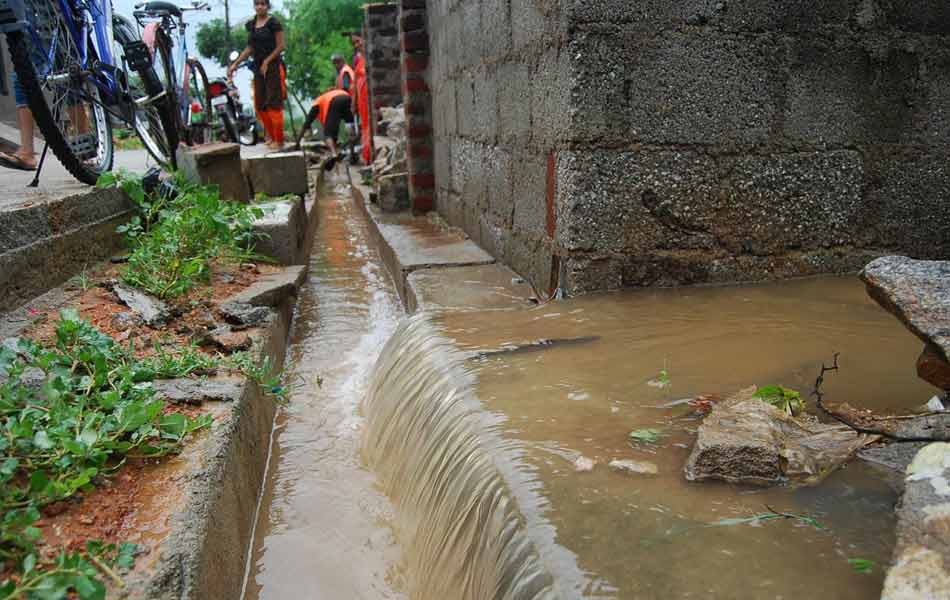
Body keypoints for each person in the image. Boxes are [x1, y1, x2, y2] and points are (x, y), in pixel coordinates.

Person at [229, 0, 285, 149]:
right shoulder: (252, 24)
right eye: (257, 4)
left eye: (263, 4)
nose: (260, 6)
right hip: (258, 68)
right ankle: (271, 136)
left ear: (268, 6)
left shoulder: (274, 23)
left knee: (274, 103)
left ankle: (279, 140)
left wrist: (267, 60)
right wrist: (235, 64)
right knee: (260, 104)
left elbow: (281, 46)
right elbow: (250, 48)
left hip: (272, 66)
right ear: (254, 6)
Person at [295, 88, 353, 159]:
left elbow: (306, 123)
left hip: (334, 101)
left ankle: (334, 154)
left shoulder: (318, 102)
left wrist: (297, 143)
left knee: (328, 134)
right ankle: (352, 151)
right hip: (347, 97)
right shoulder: (329, 96)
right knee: (349, 123)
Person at [350, 34, 372, 165]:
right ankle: (366, 156)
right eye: (354, 43)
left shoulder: (370, 60)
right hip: (362, 102)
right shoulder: (358, 60)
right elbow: (355, 84)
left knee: (368, 126)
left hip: (368, 99)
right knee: (364, 126)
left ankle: (368, 155)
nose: (357, 45)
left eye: (358, 41)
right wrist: (353, 104)